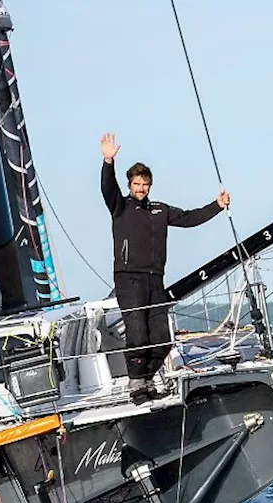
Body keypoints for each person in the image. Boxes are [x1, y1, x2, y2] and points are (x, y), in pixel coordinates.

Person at [100, 132, 230, 402]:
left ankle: (146, 379)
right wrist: (108, 161)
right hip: (129, 279)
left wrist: (217, 206)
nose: (141, 189)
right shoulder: (120, 207)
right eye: (137, 184)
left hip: (154, 279)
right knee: (138, 335)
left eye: (145, 184)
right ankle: (136, 385)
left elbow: (190, 218)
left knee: (162, 338)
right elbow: (107, 188)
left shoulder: (160, 210)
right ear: (130, 184)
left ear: (150, 185)